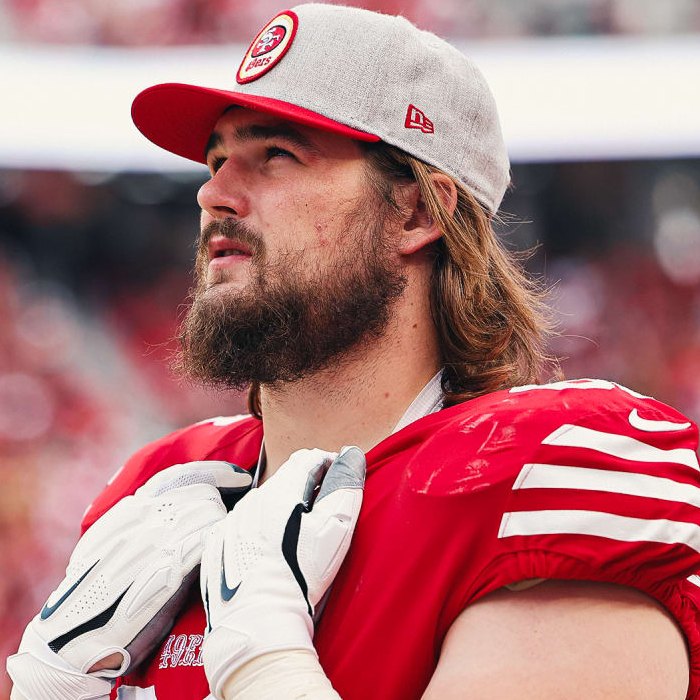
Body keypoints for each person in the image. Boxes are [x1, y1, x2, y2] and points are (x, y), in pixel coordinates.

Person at [7, 3, 700, 699]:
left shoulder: (544, 475)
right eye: (217, 159)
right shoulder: (161, 488)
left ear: (418, 211)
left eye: (276, 155)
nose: (213, 192)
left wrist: (266, 667)